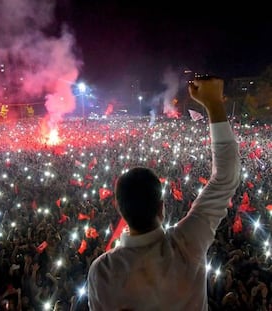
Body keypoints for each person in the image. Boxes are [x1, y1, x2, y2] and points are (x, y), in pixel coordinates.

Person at [87, 76, 241, 310]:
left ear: (119, 209)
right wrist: (214, 104)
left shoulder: (103, 272)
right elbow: (226, 177)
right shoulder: (187, 244)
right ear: (162, 206)